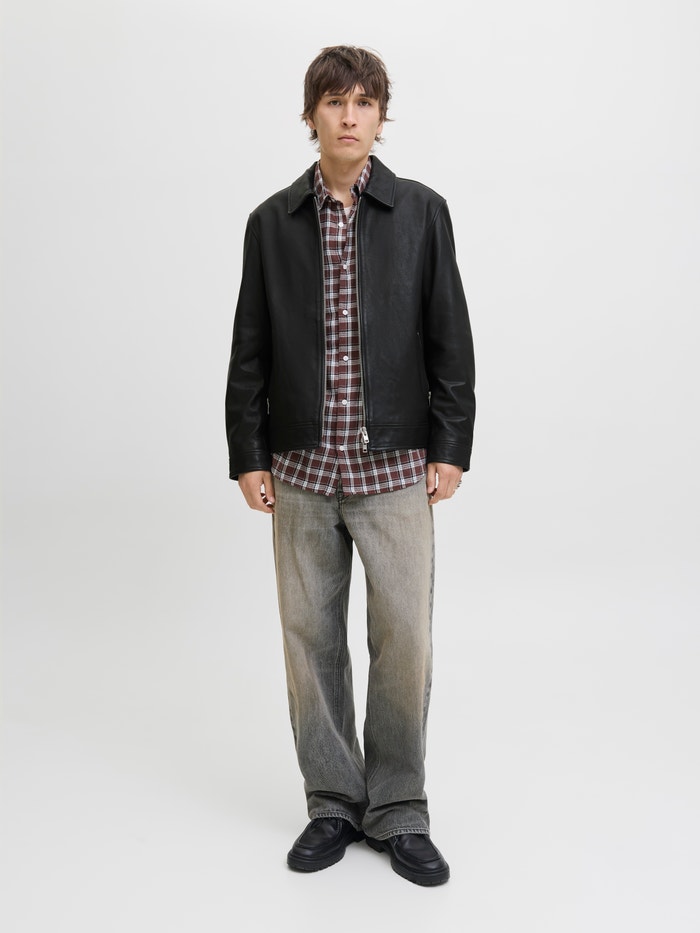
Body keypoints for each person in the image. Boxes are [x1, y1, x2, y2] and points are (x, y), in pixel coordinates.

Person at [225, 45, 475, 886]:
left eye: (364, 102)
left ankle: (398, 807)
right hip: (299, 467)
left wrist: (450, 444)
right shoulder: (271, 223)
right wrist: (248, 452)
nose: (349, 116)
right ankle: (332, 800)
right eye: (335, 102)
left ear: (380, 116)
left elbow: (450, 335)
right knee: (310, 641)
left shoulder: (422, 212)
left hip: (395, 467)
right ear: (311, 116)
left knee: (404, 639)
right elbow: (250, 347)